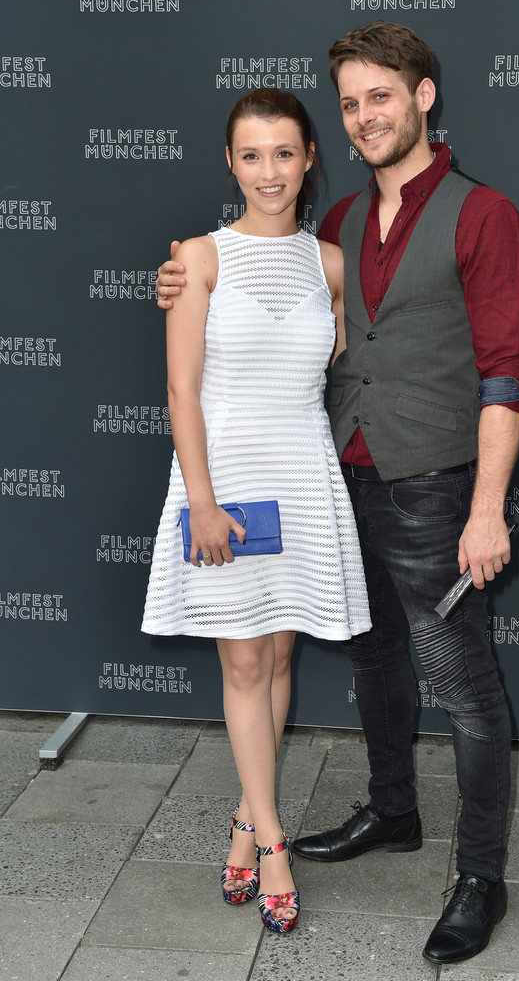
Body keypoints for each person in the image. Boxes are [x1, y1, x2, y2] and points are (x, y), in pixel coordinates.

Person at [156, 21, 519, 966]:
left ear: (423, 97)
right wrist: (181, 280)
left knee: (464, 685)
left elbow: (507, 372)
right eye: (352, 101)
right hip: (335, 479)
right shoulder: (335, 229)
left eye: (382, 96)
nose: (367, 115)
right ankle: (393, 810)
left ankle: (480, 876)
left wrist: (487, 507)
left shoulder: (484, 215)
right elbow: (273, 311)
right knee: (373, 660)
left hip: (434, 486)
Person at [142, 87, 371, 935]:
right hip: (226, 479)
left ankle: (245, 820)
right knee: (243, 663)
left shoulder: (332, 264)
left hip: (303, 475)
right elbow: (182, 389)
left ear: (310, 158)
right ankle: (274, 844)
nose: (268, 171)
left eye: (284, 153)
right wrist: (201, 501)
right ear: (230, 164)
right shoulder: (199, 259)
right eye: (251, 155)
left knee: (276, 656)